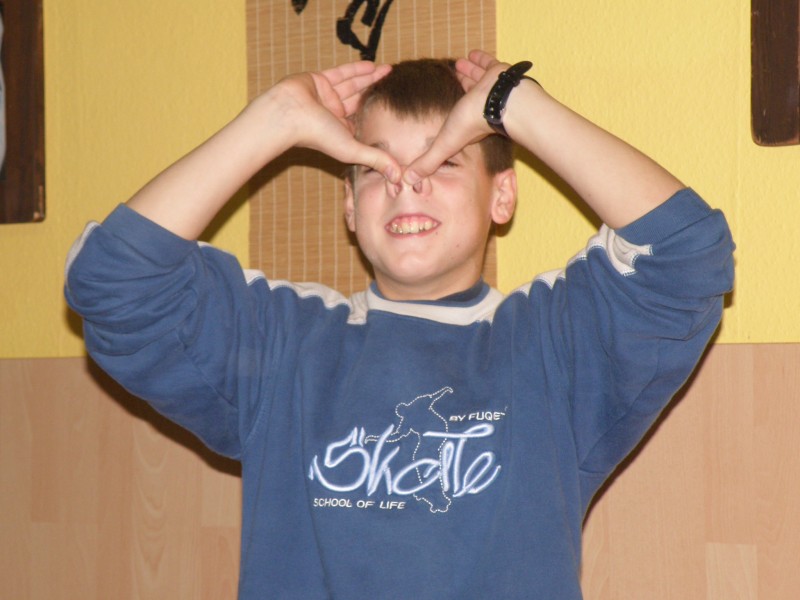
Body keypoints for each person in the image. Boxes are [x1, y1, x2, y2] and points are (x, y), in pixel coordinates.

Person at [65, 50, 734, 599]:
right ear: (350, 206)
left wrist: (517, 105)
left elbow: (686, 257)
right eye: (374, 166)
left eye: (444, 161)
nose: (405, 183)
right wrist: (272, 121)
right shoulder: (285, 344)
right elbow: (112, 285)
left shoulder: (551, 348)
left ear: (501, 195)